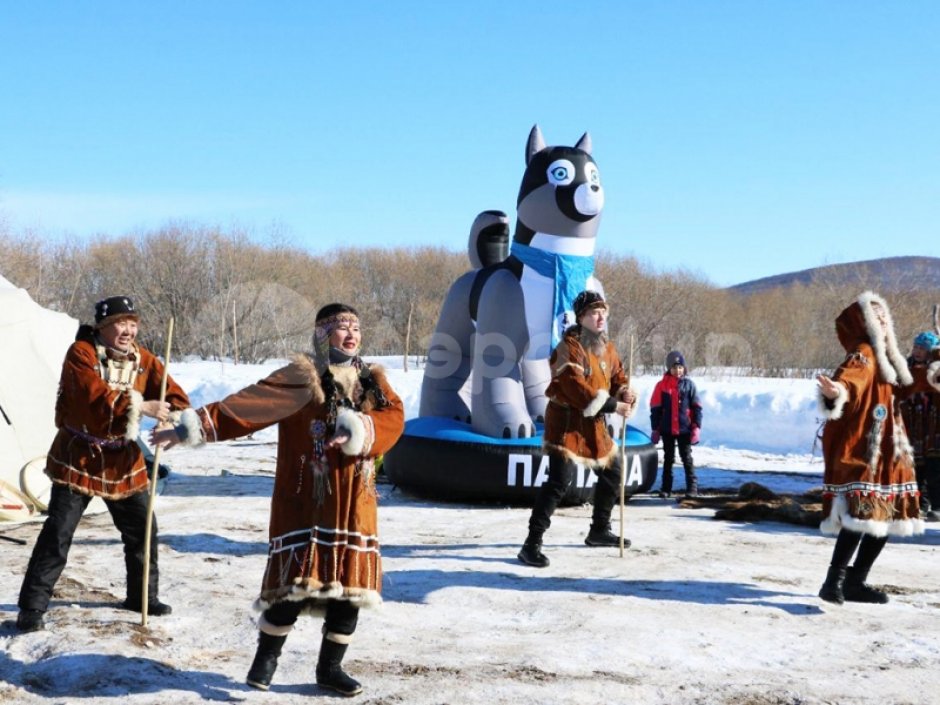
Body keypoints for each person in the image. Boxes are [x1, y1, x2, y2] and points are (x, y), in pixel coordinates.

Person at [153, 302, 404, 696]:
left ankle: (330, 669)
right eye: (342, 328)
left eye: (356, 328)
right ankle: (265, 661)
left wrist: (360, 428)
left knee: (350, 592)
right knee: (294, 586)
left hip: (356, 502)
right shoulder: (301, 378)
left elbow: (395, 418)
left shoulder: (372, 380)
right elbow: (246, 406)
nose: (352, 335)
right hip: (307, 499)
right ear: (323, 335)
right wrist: (189, 428)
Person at [16, 296, 199, 633]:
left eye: (132, 323)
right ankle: (32, 607)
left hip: (123, 460)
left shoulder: (143, 360)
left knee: (143, 530)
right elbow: (92, 396)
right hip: (79, 456)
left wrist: (172, 416)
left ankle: (142, 597)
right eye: (120, 323)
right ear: (102, 326)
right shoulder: (81, 353)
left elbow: (174, 394)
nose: (128, 330)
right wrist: (141, 406)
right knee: (58, 533)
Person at [816, 292, 940, 605]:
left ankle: (856, 581)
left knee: (884, 516)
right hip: (869, 447)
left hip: (891, 447)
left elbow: (909, 384)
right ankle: (834, 582)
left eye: (885, 317)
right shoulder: (865, 352)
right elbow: (851, 380)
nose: (883, 322)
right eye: (876, 317)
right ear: (865, 322)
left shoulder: (889, 356)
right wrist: (837, 390)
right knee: (863, 515)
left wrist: (932, 371)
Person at [517, 290, 637, 568]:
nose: (600, 317)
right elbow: (575, 387)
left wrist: (625, 392)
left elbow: (618, 377)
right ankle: (531, 544)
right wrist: (613, 405)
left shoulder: (608, 348)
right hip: (566, 423)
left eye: (603, 312)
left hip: (593, 425)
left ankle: (599, 530)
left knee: (613, 472)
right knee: (559, 482)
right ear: (581, 317)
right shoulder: (567, 347)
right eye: (594, 313)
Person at [649, 350, 703, 498]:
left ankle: (692, 488)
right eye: (674, 367)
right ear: (669, 368)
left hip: (685, 429)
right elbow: (655, 409)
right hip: (667, 429)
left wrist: (696, 427)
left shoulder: (689, 385)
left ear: (684, 368)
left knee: (687, 458)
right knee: (668, 459)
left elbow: (697, 408)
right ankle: (666, 488)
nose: (677, 370)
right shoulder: (661, 386)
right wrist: (655, 429)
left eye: (680, 367)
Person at [900, 330, 940, 520]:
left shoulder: (936, 369)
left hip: (934, 425)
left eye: (922, 348)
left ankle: (937, 506)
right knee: (916, 467)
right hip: (913, 423)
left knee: (935, 467)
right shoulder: (905, 368)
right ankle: (920, 505)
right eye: (916, 347)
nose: (917, 351)